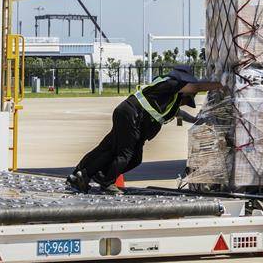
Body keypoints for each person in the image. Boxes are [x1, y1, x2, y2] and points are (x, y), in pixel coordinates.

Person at [67, 64, 221, 194]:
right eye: (190, 97)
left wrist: (196, 121)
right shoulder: (171, 84)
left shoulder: (171, 100)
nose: (187, 100)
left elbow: (179, 114)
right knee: (126, 153)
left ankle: (84, 175)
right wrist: (221, 84)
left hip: (130, 117)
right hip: (132, 115)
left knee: (123, 154)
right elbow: (197, 86)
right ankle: (106, 181)